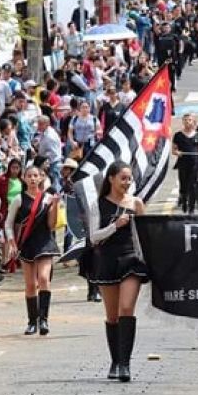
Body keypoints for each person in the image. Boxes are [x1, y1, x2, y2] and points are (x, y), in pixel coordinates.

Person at [88, 161, 148, 383]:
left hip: (131, 260)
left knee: (126, 308)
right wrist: (115, 226)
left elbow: (145, 236)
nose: (127, 182)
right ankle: (115, 360)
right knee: (112, 316)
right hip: (107, 260)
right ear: (111, 179)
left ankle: (125, 364)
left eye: (129, 178)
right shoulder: (99, 204)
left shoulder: (136, 203)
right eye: (123, 178)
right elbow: (93, 237)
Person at [5, 166, 60, 335]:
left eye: (36, 176)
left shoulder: (48, 198)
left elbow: (52, 225)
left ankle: (44, 320)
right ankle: (32, 321)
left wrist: (55, 205)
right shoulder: (18, 199)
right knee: (30, 284)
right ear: (24, 178)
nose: (33, 179)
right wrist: (12, 242)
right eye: (29, 176)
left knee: (44, 279)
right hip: (26, 244)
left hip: (44, 242)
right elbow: (8, 223)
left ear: (41, 178)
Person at [0, 158, 23, 273]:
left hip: (20, 212)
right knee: (7, 236)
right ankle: (5, 261)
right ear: (9, 168)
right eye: (13, 167)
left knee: (17, 237)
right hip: (6, 210)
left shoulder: (22, 181)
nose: (15, 170)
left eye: (17, 168)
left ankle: (14, 260)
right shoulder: (3, 180)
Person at [173, 114, 198, 214]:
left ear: (194, 122)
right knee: (183, 186)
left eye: (190, 120)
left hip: (194, 164)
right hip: (183, 164)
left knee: (193, 186)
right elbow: (174, 150)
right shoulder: (178, 135)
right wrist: (177, 153)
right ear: (183, 122)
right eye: (185, 120)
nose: (188, 122)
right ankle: (184, 202)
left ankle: (191, 209)